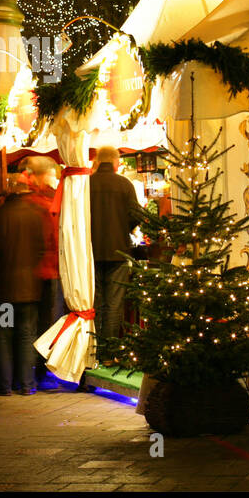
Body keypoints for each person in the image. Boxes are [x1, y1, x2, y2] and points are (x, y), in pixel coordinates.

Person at [0, 181, 45, 395]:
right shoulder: (35, 215)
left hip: (5, 291)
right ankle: (27, 384)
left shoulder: (0, 216)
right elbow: (41, 249)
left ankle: (5, 385)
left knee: (4, 335)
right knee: (26, 336)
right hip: (29, 289)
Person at [89, 146, 143, 347]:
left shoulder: (87, 184)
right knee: (114, 304)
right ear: (115, 162)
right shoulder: (124, 184)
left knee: (94, 304)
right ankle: (109, 351)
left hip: (91, 253)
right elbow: (137, 214)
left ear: (96, 161)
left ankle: (92, 349)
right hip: (119, 252)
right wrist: (124, 229)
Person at [21, 157, 62, 390]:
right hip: (48, 270)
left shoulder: (31, 201)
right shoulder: (48, 202)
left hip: (32, 272)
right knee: (45, 323)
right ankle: (39, 371)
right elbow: (52, 239)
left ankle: (28, 374)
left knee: (25, 325)